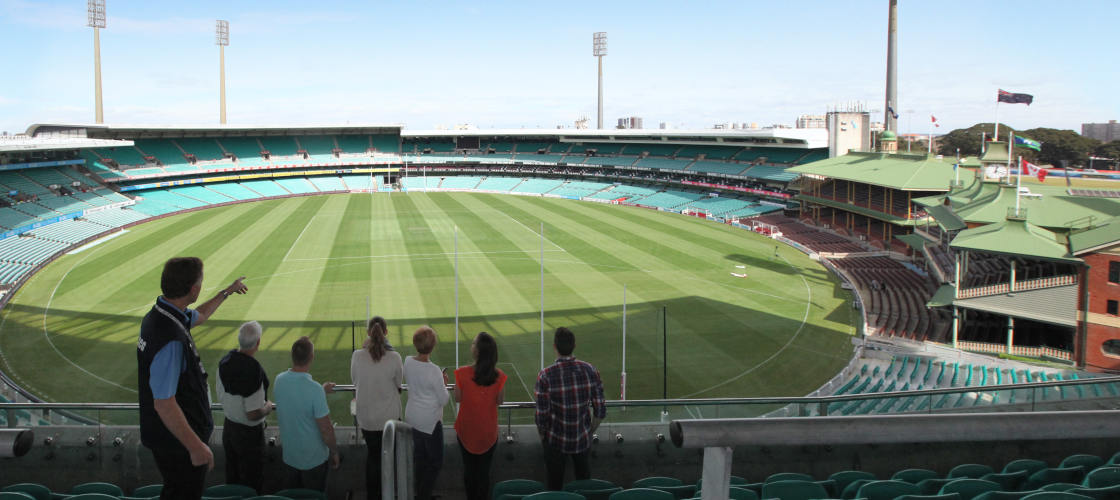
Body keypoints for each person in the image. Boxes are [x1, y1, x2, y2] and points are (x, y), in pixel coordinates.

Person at [137, 257, 247, 500]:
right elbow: (163, 403)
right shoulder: (170, 339)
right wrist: (195, 446)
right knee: (184, 492)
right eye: (200, 282)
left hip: (170, 437)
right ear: (193, 289)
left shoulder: (163, 314)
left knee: (175, 490)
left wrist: (226, 292)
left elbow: (200, 315)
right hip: (178, 443)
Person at [535, 327, 607, 490]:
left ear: (555, 346)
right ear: (574, 345)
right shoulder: (590, 370)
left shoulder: (546, 375)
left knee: (554, 486)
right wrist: (589, 431)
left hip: (555, 441)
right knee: (584, 485)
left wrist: (543, 437)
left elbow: (542, 416)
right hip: (581, 439)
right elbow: (600, 410)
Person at [273, 336, 339, 492]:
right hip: (314, 461)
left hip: (289, 457)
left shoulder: (279, 380)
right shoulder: (314, 390)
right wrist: (335, 451)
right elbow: (326, 429)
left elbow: (296, 398)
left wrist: (321, 392)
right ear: (312, 357)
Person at [217, 321, 272, 493]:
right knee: (252, 481)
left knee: (232, 478)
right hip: (249, 436)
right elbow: (253, 414)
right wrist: (268, 408)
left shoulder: (224, 362)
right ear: (258, 343)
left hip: (229, 429)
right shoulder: (254, 371)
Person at [351, 317, 403, 500]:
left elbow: (354, 380)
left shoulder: (357, 355)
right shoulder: (394, 357)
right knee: (387, 457)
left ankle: (374, 496)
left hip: (367, 418)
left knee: (373, 456)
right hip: (389, 419)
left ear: (368, 333)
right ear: (386, 332)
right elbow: (399, 383)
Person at [454, 332, 507, 500]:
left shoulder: (461, 374)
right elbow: (500, 401)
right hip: (488, 433)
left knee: (469, 471)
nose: (471, 346)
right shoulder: (499, 376)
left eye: (473, 344)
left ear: (477, 351)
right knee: (484, 473)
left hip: (466, 431)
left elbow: (457, 397)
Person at [403, 326, 450, 500]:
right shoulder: (434, 371)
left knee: (420, 458)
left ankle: (420, 492)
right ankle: (423, 495)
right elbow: (444, 399)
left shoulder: (407, 361)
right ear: (432, 346)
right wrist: (444, 383)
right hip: (430, 422)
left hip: (413, 417)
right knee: (435, 462)